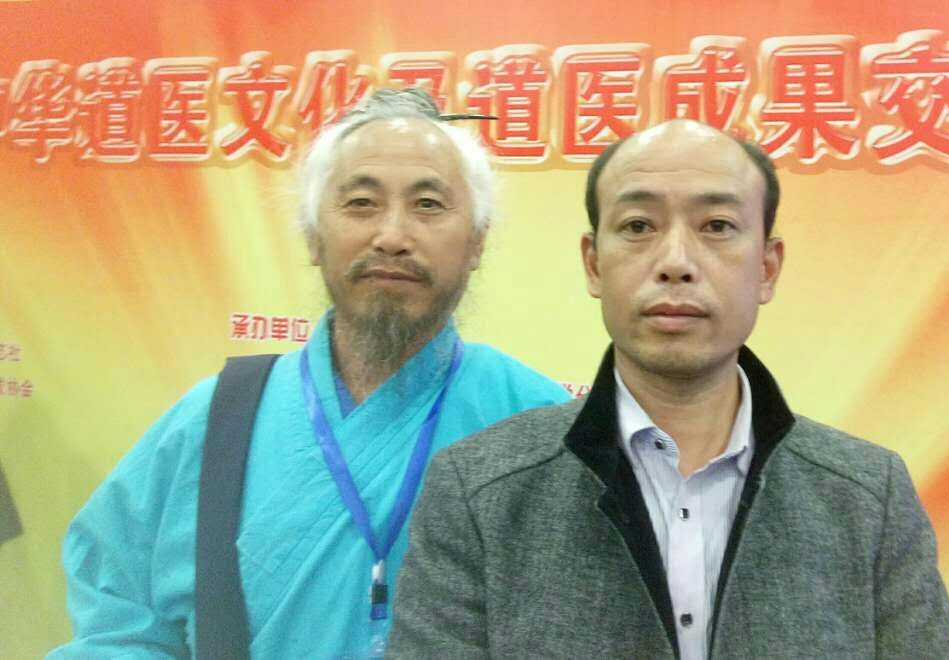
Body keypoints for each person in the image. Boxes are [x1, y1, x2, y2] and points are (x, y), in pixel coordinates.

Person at [389, 119, 949, 658]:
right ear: (594, 263)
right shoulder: (477, 490)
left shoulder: (868, 497)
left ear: (767, 268)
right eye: (639, 227)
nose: (676, 262)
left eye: (717, 226)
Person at [52, 89, 569, 659]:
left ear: (477, 241)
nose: (392, 236)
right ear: (312, 236)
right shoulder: (219, 421)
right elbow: (119, 626)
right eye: (361, 203)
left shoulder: (545, 427)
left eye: (428, 205)